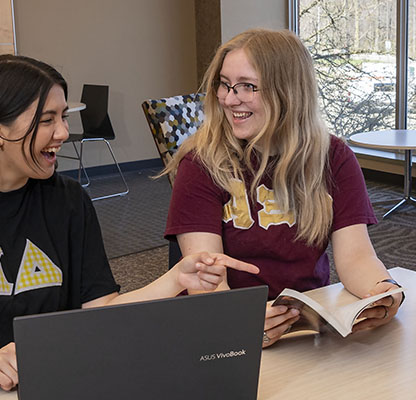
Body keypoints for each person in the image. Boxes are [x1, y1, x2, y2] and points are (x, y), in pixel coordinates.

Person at [0, 54, 259, 399]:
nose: (63, 133)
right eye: (47, 120)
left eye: (63, 116)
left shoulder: (67, 201)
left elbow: (100, 313)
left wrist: (174, 281)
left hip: (33, 384)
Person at [163, 29, 405, 348]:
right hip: (220, 327)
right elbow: (206, 281)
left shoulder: (333, 158)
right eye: (224, 84)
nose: (229, 98)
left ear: (288, 92)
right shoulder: (200, 164)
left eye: (247, 86)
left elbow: (356, 256)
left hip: (305, 327)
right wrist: (240, 321)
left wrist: (384, 290)